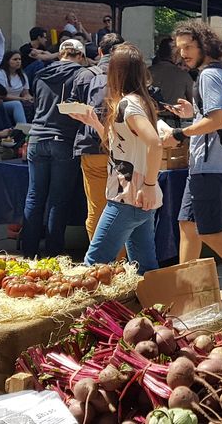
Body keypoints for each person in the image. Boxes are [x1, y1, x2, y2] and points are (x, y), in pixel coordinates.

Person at [159, 20, 222, 276]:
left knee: (210, 231)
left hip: (211, 165)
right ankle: (186, 287)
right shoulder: (218, 72)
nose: (183, 54)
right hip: (206, 164)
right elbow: (212, 116)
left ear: (205, 44)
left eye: (189, 47)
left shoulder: (210, 74)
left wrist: (179, 133)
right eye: (180, 48)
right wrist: (193, 114)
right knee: (187, 226)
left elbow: (218, 120)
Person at [67, 44, 162, 275]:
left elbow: (155, 144)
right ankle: (152, 307)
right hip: (138, 199)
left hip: (126, 198)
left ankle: (93, 312)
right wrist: (95, 124)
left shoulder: (127, 105)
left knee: (95, 264)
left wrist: (148, 185)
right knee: (144, 268)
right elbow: (119, 147)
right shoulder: (139, 101)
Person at [21, 38, 87, 257]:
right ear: (80, 56)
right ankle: (53, 252)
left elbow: (37, 101)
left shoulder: (40, 74)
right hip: (64, 140)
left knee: (34, 196)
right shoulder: (82, 74)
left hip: (37, 137)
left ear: (60, 54)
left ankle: (28, 250)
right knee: (58, 199)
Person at [69, 33, 124, 243]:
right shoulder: (126, 74)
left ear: (100, 51)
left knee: (96, 207)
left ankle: (98, 260)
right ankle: (120, 262)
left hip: (91, 147)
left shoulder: (85, 75)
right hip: (123, 148)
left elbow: (72, 107)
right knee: (122, 208)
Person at [0, 50, 32, 126]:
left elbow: (26, 93)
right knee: (16, 104)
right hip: (0, 103)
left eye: (19, 59)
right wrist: (21, 99)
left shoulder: (22, 75)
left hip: (19, 101)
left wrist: (30, 98)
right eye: (15, 59)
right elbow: (1, 95)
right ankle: (24, 129)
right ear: (7, 61)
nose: (18, 61)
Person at [149, 37, 193, 106]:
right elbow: (192, 102)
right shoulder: (183, 75)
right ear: (175, 55)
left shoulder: (146, 73)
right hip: (175, 115)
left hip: (149, 115)